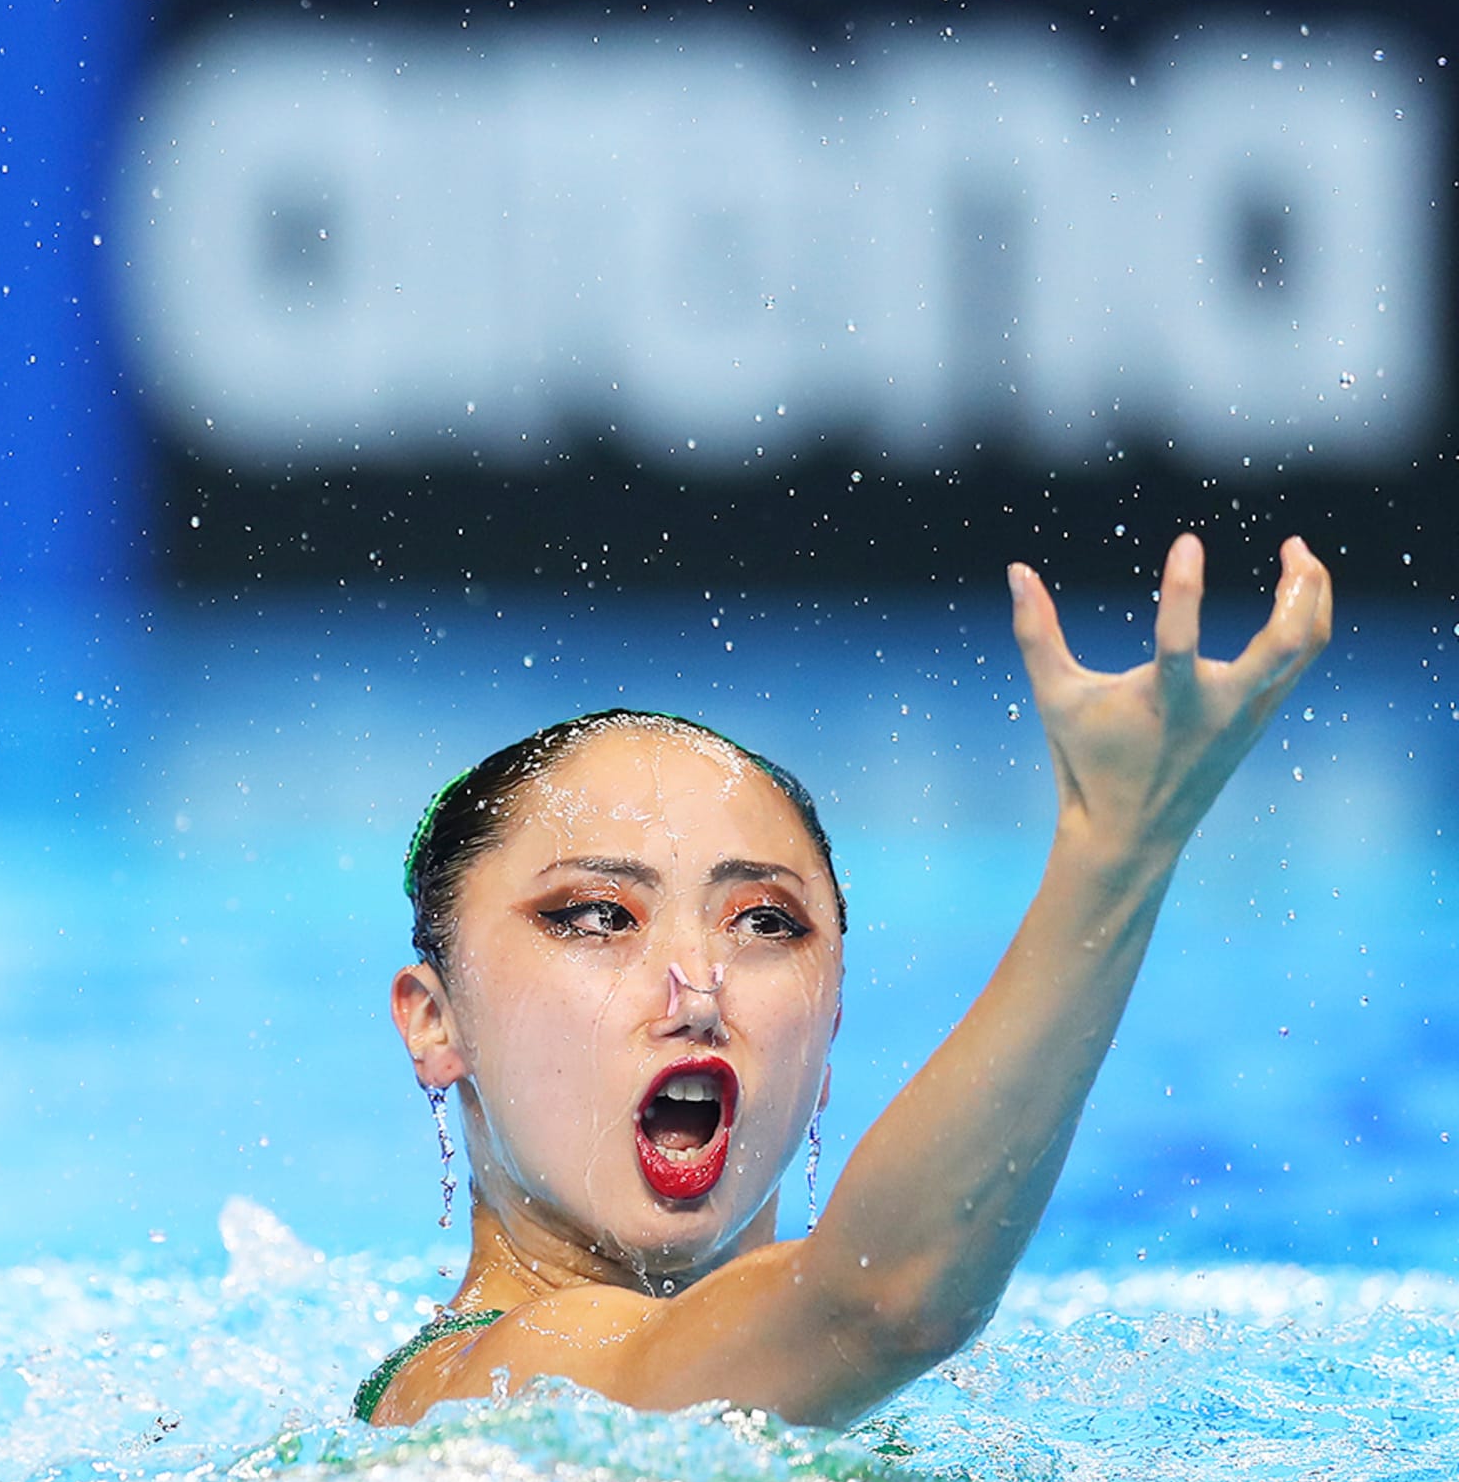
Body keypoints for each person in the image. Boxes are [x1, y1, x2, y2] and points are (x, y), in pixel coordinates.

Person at [360, 535, 1334, 1427]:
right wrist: (1113, 851)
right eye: (595, 916)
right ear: (434, 1023)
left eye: (763, 923)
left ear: (824, 1037)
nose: (696, 985)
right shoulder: (476, 1391)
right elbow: (879, 1307)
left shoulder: (898, 1410)